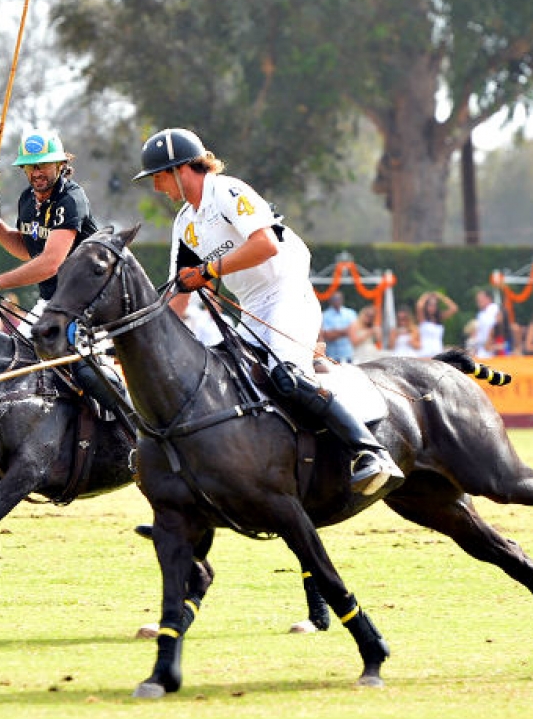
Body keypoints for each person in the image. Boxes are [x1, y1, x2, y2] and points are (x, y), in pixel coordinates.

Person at [133, 127, 403, 495]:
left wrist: (210, 271)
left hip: (287, 293)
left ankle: (370, 451)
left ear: (181, 170)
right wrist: (142, 336)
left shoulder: (228, 191)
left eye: (159, 176)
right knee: (224, 374)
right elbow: (179, 292)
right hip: (252, 307)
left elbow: (265, 246)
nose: (155, 187)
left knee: (286, 375)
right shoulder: (185, 223)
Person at [0, 128, 121, 411]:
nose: (36, 172)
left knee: (88, 371)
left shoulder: (70, 199)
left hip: (91, 301)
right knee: (17, 360)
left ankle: (131, 433)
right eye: (29, 166)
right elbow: (29, 250)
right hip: (54, 302)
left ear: (61, 165)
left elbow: (50, 262)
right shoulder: (28, 200)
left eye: (42, 165)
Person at [415, 290, 458, 357]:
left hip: (438, 351)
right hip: (425, 352)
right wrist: (426, 295)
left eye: (434, 305)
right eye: (430, 305)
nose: (432, 307)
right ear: (426, 306)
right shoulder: (423, 319)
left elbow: (454, 308)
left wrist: (441, 297)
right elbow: (419, 306)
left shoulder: (439, 318)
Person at [319, 290, 357, 363]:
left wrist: (335, 332)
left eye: (338, 298)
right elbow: (328, 336)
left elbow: (353, 333)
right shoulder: (324, 315)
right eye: (335, 299)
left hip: (348, 356)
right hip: (331, 356)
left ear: (342, 299)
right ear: (330, 301)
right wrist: (345, 331)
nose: (337, 301)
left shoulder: (351, 313)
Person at [471, 288, 500, 358]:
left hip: (491, 346)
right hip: (481, 347)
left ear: (488, 298)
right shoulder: (480, 314)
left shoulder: (494, 309)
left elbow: (496, 326)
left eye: (480, 299)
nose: (478, 302)